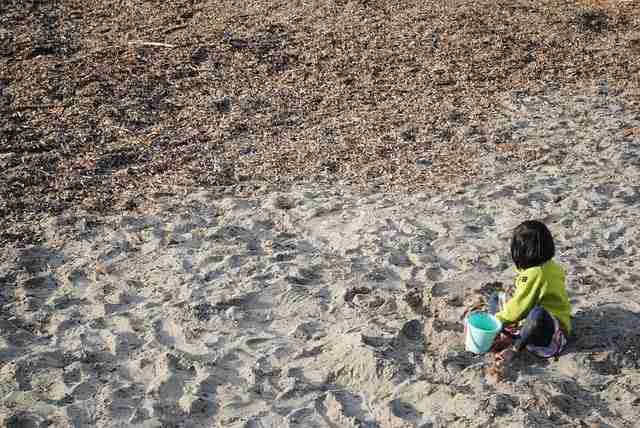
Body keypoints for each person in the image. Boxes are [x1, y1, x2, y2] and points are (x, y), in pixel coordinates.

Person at [488, 220, 572, 361]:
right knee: (497, 298)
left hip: (551, 331)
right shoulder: (550, 266)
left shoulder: (536, 273)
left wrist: (496, 321)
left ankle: (516, 347)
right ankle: (508, 336)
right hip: (530, 320)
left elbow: (520, 307)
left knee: (536, 315)